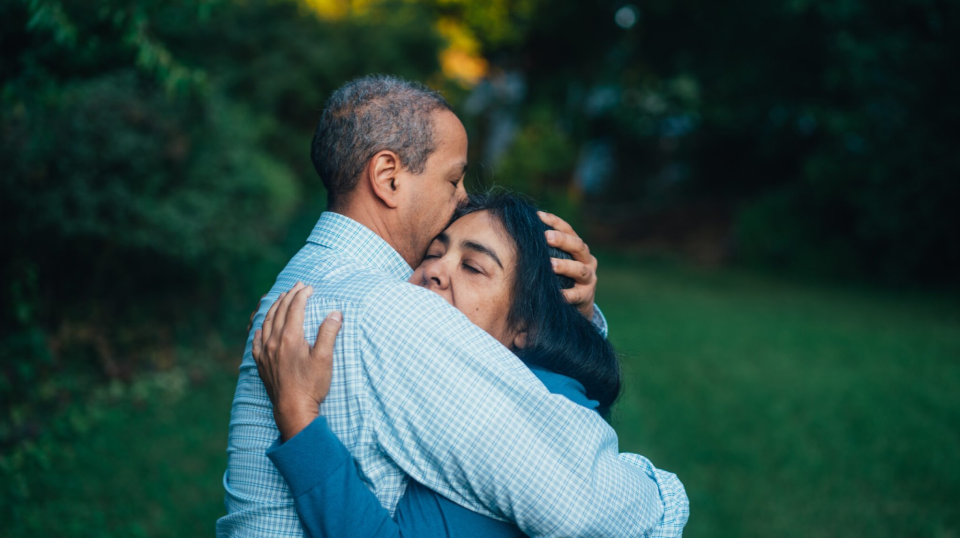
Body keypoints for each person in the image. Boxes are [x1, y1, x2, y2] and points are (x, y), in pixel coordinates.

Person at [217, 74, 682, 537]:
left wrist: (566, 318)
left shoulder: (308, 281)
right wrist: (663, 493)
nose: (462, 199)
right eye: (454, 179)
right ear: (388, 178)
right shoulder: (388, 310)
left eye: (472, 265)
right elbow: (586, 504)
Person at [253, 193, 689, 537]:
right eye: (433, 252)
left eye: (473, 266)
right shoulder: (549, 387)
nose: (436, 271)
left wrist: (299, 417)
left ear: (527, 326)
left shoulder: (491, 426)